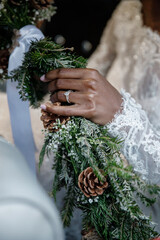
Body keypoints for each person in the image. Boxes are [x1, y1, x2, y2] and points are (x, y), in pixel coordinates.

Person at [40, 0, 160, 233]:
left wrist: (121, 114)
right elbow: (93, 72)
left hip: (142, 208)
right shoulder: (129, 8)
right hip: (87, 158)